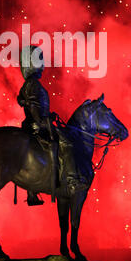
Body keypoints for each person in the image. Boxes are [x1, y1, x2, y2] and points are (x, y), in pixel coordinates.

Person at [17, 45, 86, 206]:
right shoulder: (33, 83)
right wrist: (41, 122)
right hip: (38, 125)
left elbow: (28, 103)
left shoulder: (28, 83)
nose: (43, 64)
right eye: (40, 60)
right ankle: (72, 181)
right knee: (67, 144)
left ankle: (33, 192)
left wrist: (49, 115)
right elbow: (33, 106)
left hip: (34, 123)